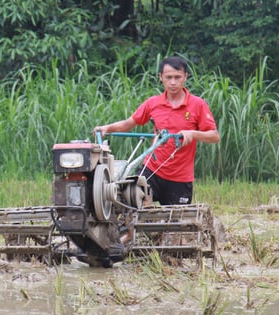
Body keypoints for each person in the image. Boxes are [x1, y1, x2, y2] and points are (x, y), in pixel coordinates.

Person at [93, 56, 219, 206]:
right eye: (168, 77)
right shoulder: (153, 103)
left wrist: (192, 133)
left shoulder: (197, 105)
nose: (173, 82)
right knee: (133, 207)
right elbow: (129, 123)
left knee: (176, 223)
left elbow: (214, 136)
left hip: (180, 177)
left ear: (185, 77)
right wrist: (107, 128)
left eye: (177, 77)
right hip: (151, 170)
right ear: (161, 77)